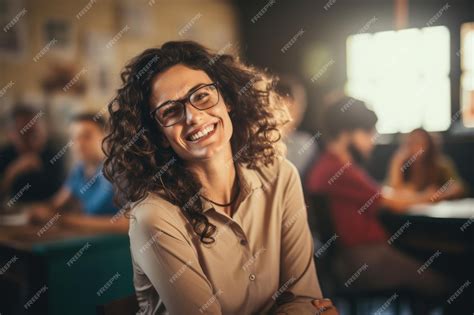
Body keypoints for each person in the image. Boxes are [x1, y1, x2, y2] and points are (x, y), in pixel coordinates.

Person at [102, 41, 338, 315]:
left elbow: (304, 296)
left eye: (201, 96)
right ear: (159, 137)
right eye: (170, 111)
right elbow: (311, 310)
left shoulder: (280, 176)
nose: (193, 116)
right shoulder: (154, 216)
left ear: (228, 100)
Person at [305, 97, 451, 302]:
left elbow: (383, 194)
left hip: (345, 261)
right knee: (445, 282)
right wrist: (432, 195)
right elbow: (392, 201)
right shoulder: (339, 169)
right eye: (368, 133)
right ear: (348, 133)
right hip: (362, 260)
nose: (372, 141)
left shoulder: (325, 165)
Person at [29, 113, 127, 232]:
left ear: (105, 136)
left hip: (113, 244)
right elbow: (55, 205)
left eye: (86, 136)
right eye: (74, 137)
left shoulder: (119, 170)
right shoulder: (79, 170)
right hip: (89, 237)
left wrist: (65, 220)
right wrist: (38, 212)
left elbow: (127, 224)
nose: (79, 143)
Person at [0, 104, 66, 205]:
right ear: (11, 135)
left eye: (35, 133)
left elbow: (63, 196)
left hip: (47, 213)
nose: (31, 140)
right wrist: (12, 172)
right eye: (24, 134)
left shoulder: (55, 154)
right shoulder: (4, 154)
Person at [387, 127, 466, 200]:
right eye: (411, 143)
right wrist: (396, 162)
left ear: (429, 145)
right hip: (407, 211)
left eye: (420, 143)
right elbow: (392, 192)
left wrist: (438, 195)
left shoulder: (441, 164)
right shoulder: (403, 165)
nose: (415, 147)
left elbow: (458, 187)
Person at [276, 75, 318, 180]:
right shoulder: (262, 142)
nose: (299, 110)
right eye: (293, 103)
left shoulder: (303, 142)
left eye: (301, 104)